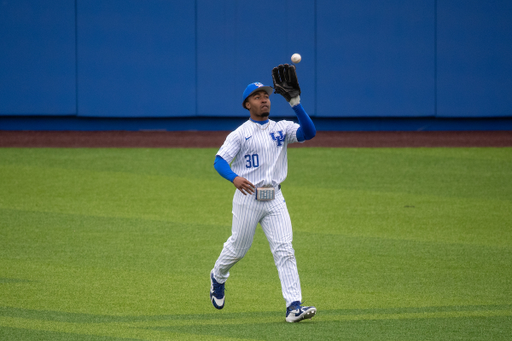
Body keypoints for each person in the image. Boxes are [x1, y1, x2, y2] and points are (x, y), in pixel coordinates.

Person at [209, 64, 317, 323]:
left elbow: (309, 133)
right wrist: (234, 178)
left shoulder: (282, 128)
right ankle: (218, 275)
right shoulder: (240, 133)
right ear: (247, 104)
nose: (264, 99)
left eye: (267, 96)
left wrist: (296, 103)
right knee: (238, 249)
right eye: (258, 97)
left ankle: (294, 307)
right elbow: (219, 161)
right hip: (247, 197)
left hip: (275, 199)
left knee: (285, 250)